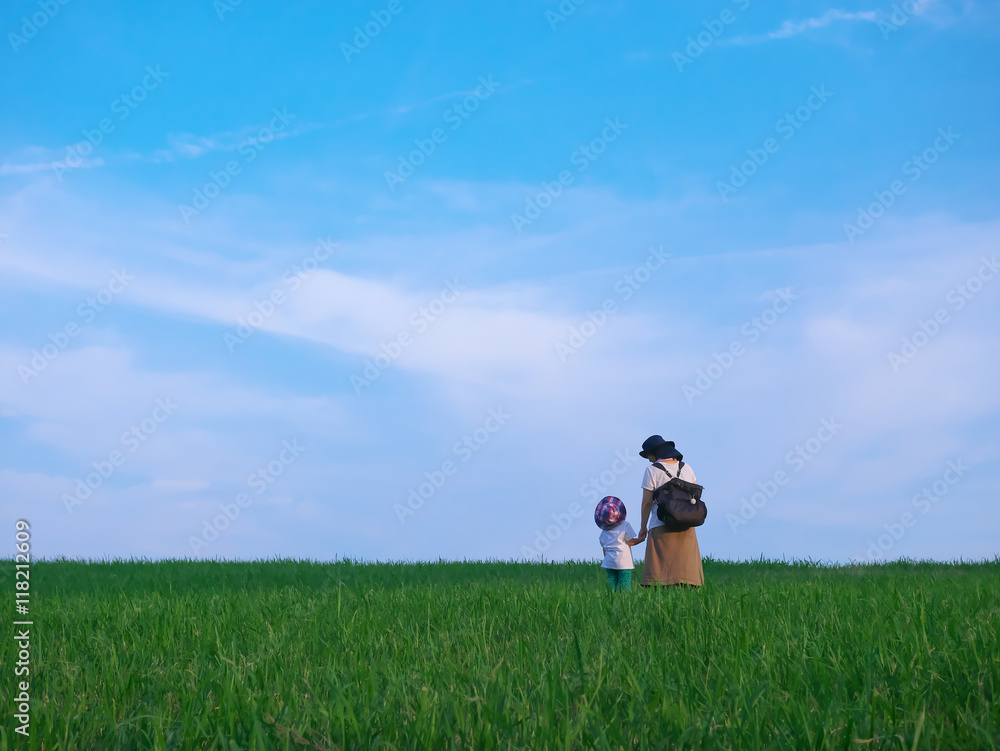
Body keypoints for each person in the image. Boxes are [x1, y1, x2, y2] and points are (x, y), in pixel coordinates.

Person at [629, 435, 704, 587]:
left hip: (660, 525)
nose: (649, 460)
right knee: (686, 578)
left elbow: (646, 503)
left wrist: (643, 528)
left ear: (654, 453)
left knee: (660, 579)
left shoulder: (651, 471)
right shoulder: (687, 468)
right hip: (686, 526)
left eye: (649, 456)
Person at [594, 496, 639, 592]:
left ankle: (611, 600)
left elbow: (604, 549)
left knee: (611, 587)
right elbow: (631, 542)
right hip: (623, 562)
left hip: (609, 562)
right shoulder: (625, 525)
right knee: (625, 586)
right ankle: (624, 601)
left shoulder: (603, 532)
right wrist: (642, 539)